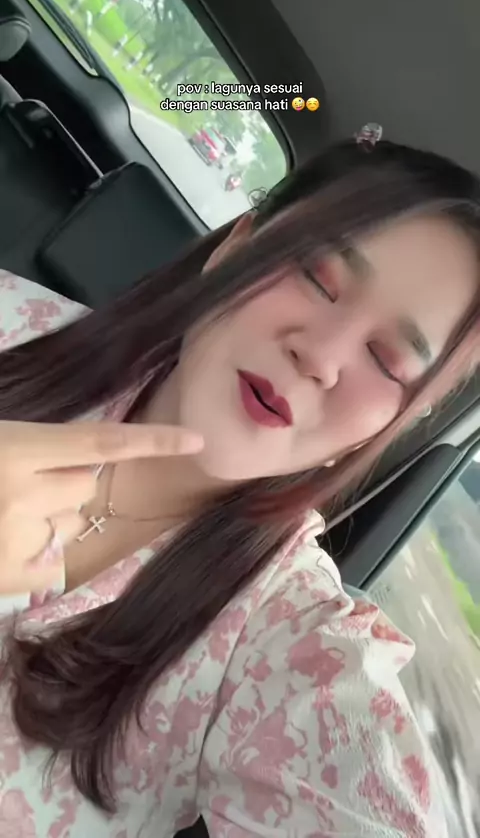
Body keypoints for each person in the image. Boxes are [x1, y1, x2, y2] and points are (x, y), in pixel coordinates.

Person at [0, 128, 479, 837]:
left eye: (386, 361)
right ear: (235, 246)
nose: (320, 357)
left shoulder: (289, 646)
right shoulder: (11, 322)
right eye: (315, 275)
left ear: (387, 425)